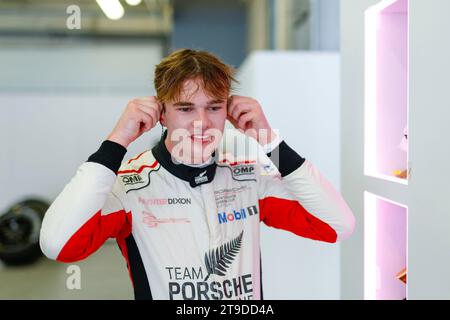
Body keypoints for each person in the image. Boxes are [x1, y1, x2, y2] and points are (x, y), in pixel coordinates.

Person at [39, 48, 355, 300]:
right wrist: (116, 141)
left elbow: (337, 225)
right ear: (161, 113)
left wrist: (270, 141)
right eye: (186, 108)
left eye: (214, 107)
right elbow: (58, 244)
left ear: (228, 112)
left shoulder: (249, 178)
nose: (201, 122)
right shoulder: (130, 186)